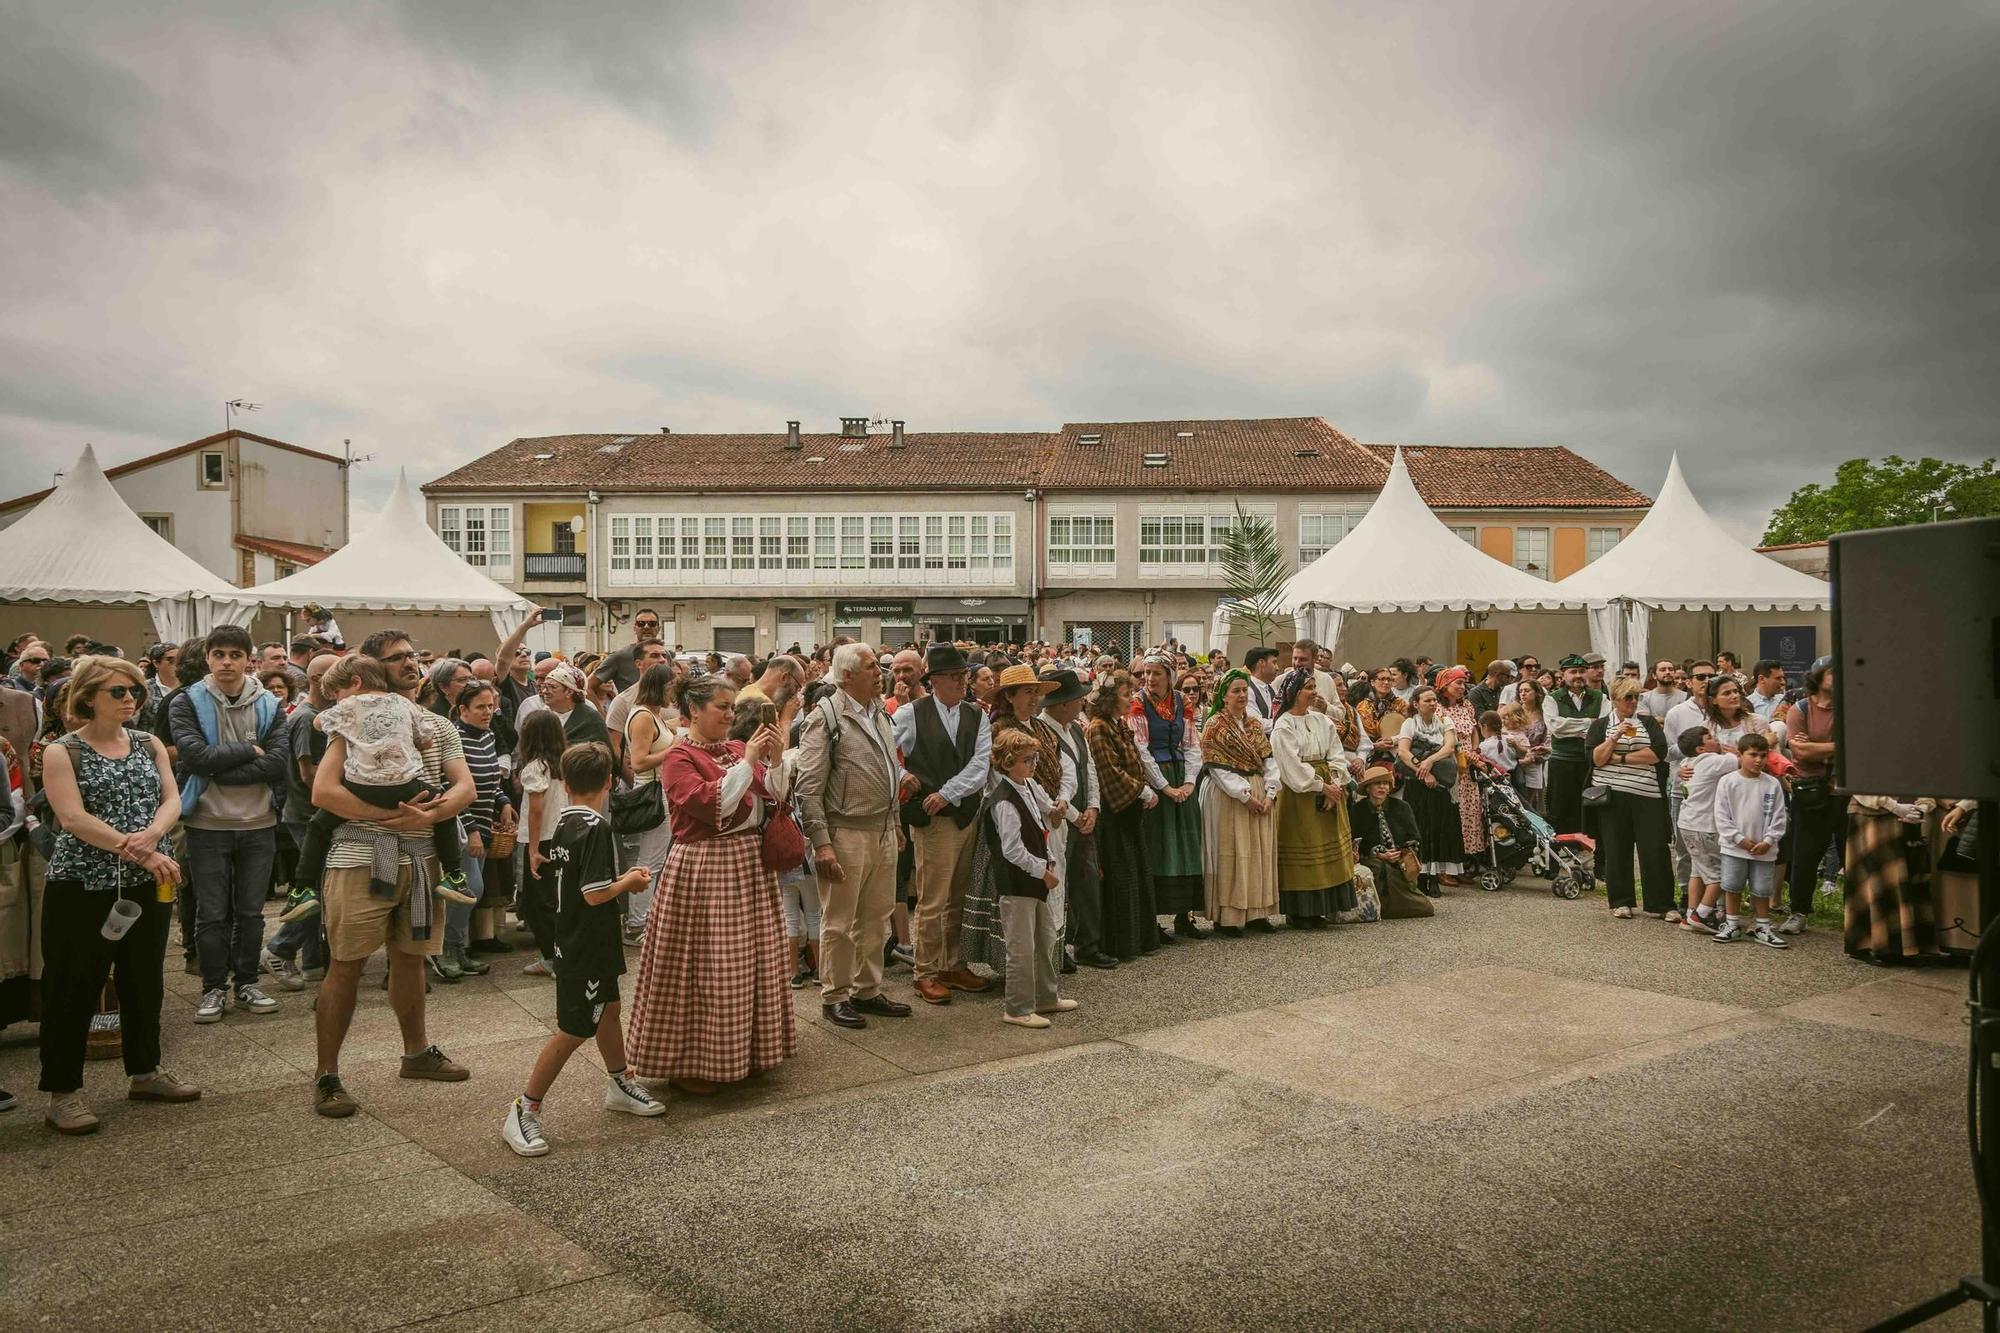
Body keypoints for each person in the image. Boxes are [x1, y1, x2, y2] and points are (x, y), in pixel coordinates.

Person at [309, 629, 476, 1118]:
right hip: (361, 855)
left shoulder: (436, 725)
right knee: (346, 964)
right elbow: (323, 792)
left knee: (410, 958)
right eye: (396, 658)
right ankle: (327, 1075)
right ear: (372, 669)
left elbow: (463, 786)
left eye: (413, 656)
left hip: (422, 858)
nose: (410, 664)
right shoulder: (354, 718)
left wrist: (430, 816)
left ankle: (416, 1053)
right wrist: (389, 817)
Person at [36, 655, 199, 1134]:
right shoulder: (62, 751)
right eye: (118, 692)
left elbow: (173, 799)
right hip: (83, 883)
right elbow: (72, 818)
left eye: (134, 691)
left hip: (149, 881)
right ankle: (63, 1092)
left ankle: (145, 1071)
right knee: (74, 985)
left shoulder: (149, 744)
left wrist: (152, 837)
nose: (131, 699)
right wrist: (141, 850)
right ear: (88, 697)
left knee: (144, 978)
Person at [628, 674, 799, 1091]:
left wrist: (773, 761)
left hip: (747, 863)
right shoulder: (677, 758)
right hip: (705, 868)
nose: (730, 714)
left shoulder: (738, 748)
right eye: (721, 707)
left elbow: (772, 798)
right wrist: (749, 761)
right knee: (708, 967)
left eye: (731, 706)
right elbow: (712, 805)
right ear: (692, 712)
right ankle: (693, 1063)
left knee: (750, 963)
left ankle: (750, 1049)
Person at [501, 742, 664, 1156]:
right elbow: (594, 893)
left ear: (566, 783)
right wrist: (629, 882)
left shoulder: (564, 824)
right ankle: (525, 1108)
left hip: (582, 938)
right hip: (584, 942)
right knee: (575, 1028)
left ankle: (619, 1081)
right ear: (610, 782)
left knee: (609, 1009)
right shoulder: (596, 829)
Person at [168, 624, 291, 1025]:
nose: (226, 662)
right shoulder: (186, 701)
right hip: (206, 822)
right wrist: (246, 751)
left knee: (252, 912)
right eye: (219, 654)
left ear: (248, 659)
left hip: (259, 821)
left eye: (234, 655)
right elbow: (194, 756)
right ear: (207, 657)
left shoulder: (270, 704)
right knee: (211, 912)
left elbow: (276, 762)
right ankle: (213, 987)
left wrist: (223, 766)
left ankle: (248, 982)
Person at [291, 653, 471, 917]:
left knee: (318, 825)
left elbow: (318, 723)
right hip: (407, 786)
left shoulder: (348, 707)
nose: (337, 699)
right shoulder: (403, 703)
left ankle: (302, 889)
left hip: (361, 786)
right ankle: (454, 875)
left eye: (337, 693)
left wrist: (344, 719)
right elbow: (426, 740)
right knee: (443, 805)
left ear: (354, 682)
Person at [794, 642, 910, 1030]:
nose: (880, 671)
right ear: (846, 676)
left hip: (880, 831)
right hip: (844, 832)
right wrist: (822, 844)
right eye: (871, 666)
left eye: (878, 665)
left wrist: (894, 824)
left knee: (876, 917)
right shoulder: (825, 718)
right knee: (839, 922)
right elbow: (808, 789)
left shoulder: (879, 711)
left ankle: (867, 989)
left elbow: (889, 773)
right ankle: (836, 996)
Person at [892, 644, 992, 1005]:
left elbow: (981, 765)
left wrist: (948, 793)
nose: (962, 682)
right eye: (954, 677)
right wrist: (903, 775)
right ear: (933, 681)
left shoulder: (977, 715)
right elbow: (884, 754)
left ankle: (952, 963)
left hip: (964, 813)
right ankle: (925, 971)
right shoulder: (908, 714)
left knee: (958, 897)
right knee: (932, 900)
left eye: (964, 676)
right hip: (934, 821)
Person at [987, 729, 1079, 1028]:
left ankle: (1045, 996)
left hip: (1037, 879)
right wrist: (1043, 871)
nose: (1033, 764)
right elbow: (1012, 850)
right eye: (1027, 759)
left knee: (1045, 938)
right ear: (1008, 762)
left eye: (1035, 758)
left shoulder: (1028, 784)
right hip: (1018, 882)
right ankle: (1017, 1007)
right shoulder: (1003, 800)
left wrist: (1061, 808)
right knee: (1021, 947)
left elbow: (1046, 807)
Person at [438, 681, 512, 981]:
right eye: (480, 707)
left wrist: (504, 801)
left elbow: (491, 780)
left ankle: (457, 948)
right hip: (461, 827)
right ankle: (445, 949)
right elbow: (451, 786)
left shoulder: (488, 735)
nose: (487, 712)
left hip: (484, 823)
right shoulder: (455, 738)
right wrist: (471, 829)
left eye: (490, 706)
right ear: (462, 710)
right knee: (471, 887)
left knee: (471, 891)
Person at [1084, 670, 1160, 961]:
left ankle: (1137, 938)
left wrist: (1144, 788)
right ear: (1109, 698)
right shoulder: (1099, 728)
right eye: (1126, 694)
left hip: (1128, 812)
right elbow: (1108, 771)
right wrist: (1142, 791)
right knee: (1118, 875)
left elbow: (1134, 761)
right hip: (1114, 814)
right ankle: (1116, 942)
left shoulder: (1119, 725)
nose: (1131, 699)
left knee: (1134, 872)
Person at [1270, 669, 1356, 927]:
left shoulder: (1323, 721)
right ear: (1295, 693)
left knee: (1327, 851)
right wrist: (1320, 787)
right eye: (1308, 687)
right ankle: (1300, 911)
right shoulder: (1283, 726)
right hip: (1300, 798)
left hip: (1329, 787)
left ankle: (1325, 907)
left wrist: (1335, 784)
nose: (1314, 692)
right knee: (1304, 851)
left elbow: (1336, 753)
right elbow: (1290, 767)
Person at [1199, 670, 1280, 936]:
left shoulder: (1254, 725)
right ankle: (1229, 915)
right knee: (1232, 851)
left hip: (1258, 790)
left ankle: (1257, 912)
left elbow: (1269, 760)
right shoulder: (1215, 726)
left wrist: (1269, 793)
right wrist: (1245, 796)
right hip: (1230, 795)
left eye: (1244, 690)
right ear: (1223, 696)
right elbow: (1216, 768)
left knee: (1258, 851)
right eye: (1236, 691)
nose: (1242, 695)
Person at [1040, 667, 1111, 968]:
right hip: (1061, 818)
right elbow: (1049, 784)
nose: (1083, 703)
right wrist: (1076, 815)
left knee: (1087, 881)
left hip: (1083, 815)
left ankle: (1087, 944)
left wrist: (1093, 807)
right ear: (1062, 703)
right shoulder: (1043, 731)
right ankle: (1057, 949)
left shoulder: (1076, 729)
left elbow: (1089, 769)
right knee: (1058, 887)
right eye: (1077, 699)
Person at [1587, 678, 1674, 920]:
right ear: (1615, 699)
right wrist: (1614, 738)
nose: (1633, 702)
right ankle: (1621, 901)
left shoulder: (1648, 723)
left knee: (1655, 847)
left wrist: (1619, 758)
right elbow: (1595, 758)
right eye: (1628, 697)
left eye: (1637, 697)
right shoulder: (1601, 725)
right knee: (1616, 847)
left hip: (1647, 793)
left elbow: (1658, 753)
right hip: (1612, 794)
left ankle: (1662, 904)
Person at [1132, 656, 1206, 940]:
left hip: (1180, 775)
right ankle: (1152, 918)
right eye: (1147, 673)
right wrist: (1164, 787)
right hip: (1157, 777)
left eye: (1156, 673)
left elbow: (1191, 744)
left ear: (1169, 675)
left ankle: (1184, 915)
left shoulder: (1181, 701)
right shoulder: (1139, 703)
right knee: (1159, 847)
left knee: (1187, 845)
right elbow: (1141, 749)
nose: (1149, 678)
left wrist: (1188, 782)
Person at [620, 662, 680, 944]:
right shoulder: (643, 716)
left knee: (653, 860)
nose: (673, 692)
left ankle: (642, 920)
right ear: (659, 687)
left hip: (660, 791)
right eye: (670, 686)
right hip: (654, 793)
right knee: (651, 862)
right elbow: (639, 762)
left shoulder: (651, 715)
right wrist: (676, 749)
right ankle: (637, 924)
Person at [1712, 734, 1790, 948]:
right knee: (1732, 885)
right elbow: (1721, 815)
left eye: (1763, 756)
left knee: (1762, 888)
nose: (1758, 760)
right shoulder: (1728, 782)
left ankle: (1762, 926)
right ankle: (1732, 923)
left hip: (1764, 849)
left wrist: (1768, 840)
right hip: (1734, 847)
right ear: (1740, 755)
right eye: (1752, 755)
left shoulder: (1772, 784)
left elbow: (1779, 816)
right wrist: (1738, 839)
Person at [1782, 659, 1841, 937]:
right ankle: (1799, 912)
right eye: (1831, 671)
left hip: (1845, 791)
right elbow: (1800, 753)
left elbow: (1860, 747)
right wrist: (1837, 747)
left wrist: (1817, 748)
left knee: (1851, 853)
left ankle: (1858, 913)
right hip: (1811, 792)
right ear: (1817, 677)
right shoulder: (1801, 709)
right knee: (1804, 855)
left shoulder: (1851, 708)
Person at [1843, 793, 1939, 965]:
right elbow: (1858, 783)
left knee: (1908, 878)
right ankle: (1872, 944)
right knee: (1876, 880)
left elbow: (1925, 777)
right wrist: (1894, 806)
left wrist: (1922, 807)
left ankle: (1905, 946)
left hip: (1908, 815)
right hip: (1871, 815)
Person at [514, 711, 571, 977]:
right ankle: (563, 953)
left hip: (542, 839)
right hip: (563, 835)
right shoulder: (563, 764)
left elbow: (535, 810)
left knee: (540, 904)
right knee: (559, 898)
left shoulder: (535, 767)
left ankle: (552, 956)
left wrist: (533, 849)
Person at [1396, 686, 1461, 897]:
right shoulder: (1409, 723)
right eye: (1427, 700)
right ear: (1416, 704)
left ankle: (1434, 877)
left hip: (1439, 782)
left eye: (1434, 700)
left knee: (1437, 827)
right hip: (1417, 783)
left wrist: (1430, 761)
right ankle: (1420, 875)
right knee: (1419, 826)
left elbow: (1450, 746)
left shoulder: (1444, 721)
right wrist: (1424, 773)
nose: (1433, 704)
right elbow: (1403, 752)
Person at [1673, 725, 1736, 935]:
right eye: (1710, 737)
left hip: (1687, 823)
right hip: (1704, 826)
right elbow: (1740, 761)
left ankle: (1690, 911)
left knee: (1697, 870)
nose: (1715, 739)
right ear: (1701, 748)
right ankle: (1700, 913)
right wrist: (1731, 750)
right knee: (1719, 874)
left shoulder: (1687, 762)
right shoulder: (1712, 761)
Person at [1350, 765, 1433, 918]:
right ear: (1368, 788)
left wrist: (1401, 852)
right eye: (1377, 784)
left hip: (1400, 858)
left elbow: (1414, 837)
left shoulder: (1402, 807)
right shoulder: (1358, 810)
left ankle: (1399, 905)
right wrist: (1378, 854)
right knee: (1382, 868)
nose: (1382, 787)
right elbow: (1354, 841)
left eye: (1386, 784)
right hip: (1371, 859)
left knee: (1425, 909)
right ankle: (1385, 907)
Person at [1541, 655, 1608, 836]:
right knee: (1560, 807)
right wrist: (1589, 723)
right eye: (1573, 672)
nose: (1578, 675)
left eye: (1582, 671)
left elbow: (1603, 726)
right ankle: (1564, 849)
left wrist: (1570, 726)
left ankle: (1590, 846)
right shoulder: (1552, 699)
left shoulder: (1599, 697)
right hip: (1562, 762)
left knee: (1590, 805)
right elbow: (1555, 727)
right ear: (1563, 675)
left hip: (1589, 761)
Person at [1436, 668, 1489, 878]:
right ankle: (1447, 865)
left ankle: (1463, 862)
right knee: (1452, 815)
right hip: (1452, 764)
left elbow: (1474, 731)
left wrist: (1475, 752)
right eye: (1457, 683)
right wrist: (1464, 755)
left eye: (1463, 683)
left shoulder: (1466, 705)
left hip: (1469, 767)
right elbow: (1445, 740)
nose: (1462, 687)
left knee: (1470, 814)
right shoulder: (1439, 709)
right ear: (1445, 686)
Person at [595, 609, 666, 695]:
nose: (646, 627)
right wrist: (599, 708)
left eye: (652, 624)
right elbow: (588, 686)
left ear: (658, 628)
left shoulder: (666, 656)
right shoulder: (620, 656)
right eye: (641, 623)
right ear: (635, 628)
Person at [1353, 667, 1409, 761]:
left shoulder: (1401, 704)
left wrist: (1393, 740)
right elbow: (1361, 736)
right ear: (1372, 682)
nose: (1386, 682)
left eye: (1389, 679)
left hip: (1397, 749)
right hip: (1371, 752)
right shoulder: (1363, 706)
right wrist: (1375, 746)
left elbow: (1410, 729)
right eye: (1382, 679)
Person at [1243, 647, 1281, 731]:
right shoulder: (1247, 690)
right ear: (1261, 663)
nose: (1277, 668)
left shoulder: (1272, 688)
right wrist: (1283, 724)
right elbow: (1255, 723)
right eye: (1274, 663)